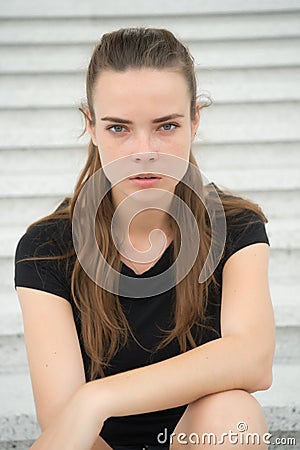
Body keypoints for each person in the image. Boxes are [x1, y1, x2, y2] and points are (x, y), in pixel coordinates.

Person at [14, 28, 275, 450]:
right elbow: (66, 422)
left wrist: (98, 396)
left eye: (166, 126)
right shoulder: (48, 248)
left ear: (195, 120)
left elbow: (253, 358)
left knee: (234, 413)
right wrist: (84, 409)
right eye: (119, 128)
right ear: (92, 128)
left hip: (201, 439)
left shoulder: (236, 226)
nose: (144, 150)